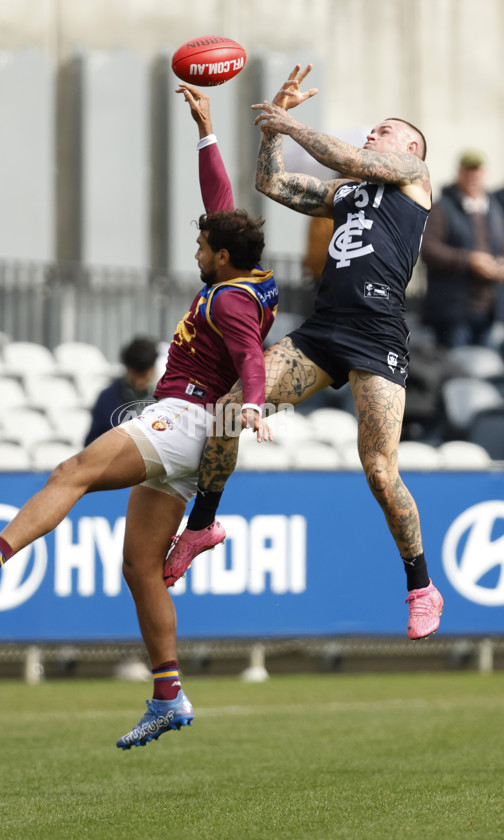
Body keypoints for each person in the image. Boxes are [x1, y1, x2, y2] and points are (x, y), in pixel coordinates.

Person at [0, 83, 278, 748]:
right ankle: (169, 693)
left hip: (185, 423)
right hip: (188, 439)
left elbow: (253, 356)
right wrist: (206, 130)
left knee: (73, 468)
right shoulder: (240, 279)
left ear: (222, 256)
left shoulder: (228, 302)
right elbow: (219, 199)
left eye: (202, 247)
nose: (195, 252)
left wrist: (253, 401)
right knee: (140, 565)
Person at [164, 63, 444, 641]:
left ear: (411, 146)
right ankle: (202, 527)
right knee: (226, 412)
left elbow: (353, 160)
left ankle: (421, 586)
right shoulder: (349, 194)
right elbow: (274, 186)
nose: (374, 133)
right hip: (323, 330)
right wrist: (271, 128)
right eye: (374, 128)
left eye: (384, 129)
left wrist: (290, 124)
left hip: (377, 332)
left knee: (380, 470)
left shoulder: (412, 174)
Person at [420, 150, 504, 349]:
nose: (472, 177)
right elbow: (428, 249)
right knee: (457, 368)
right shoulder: (442, 208)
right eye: (468, 172)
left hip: (489, 311)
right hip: (454, 311)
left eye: (477, 172)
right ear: (459, 174)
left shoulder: (493, 208)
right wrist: (468, 260)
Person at [84, 335, 159, 445]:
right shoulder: (107, 398)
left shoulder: (165, 399)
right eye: (135, 376)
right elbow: (90, 443)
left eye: (144, 377)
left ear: (153, 370)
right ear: (127, 369)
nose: (139, 382)